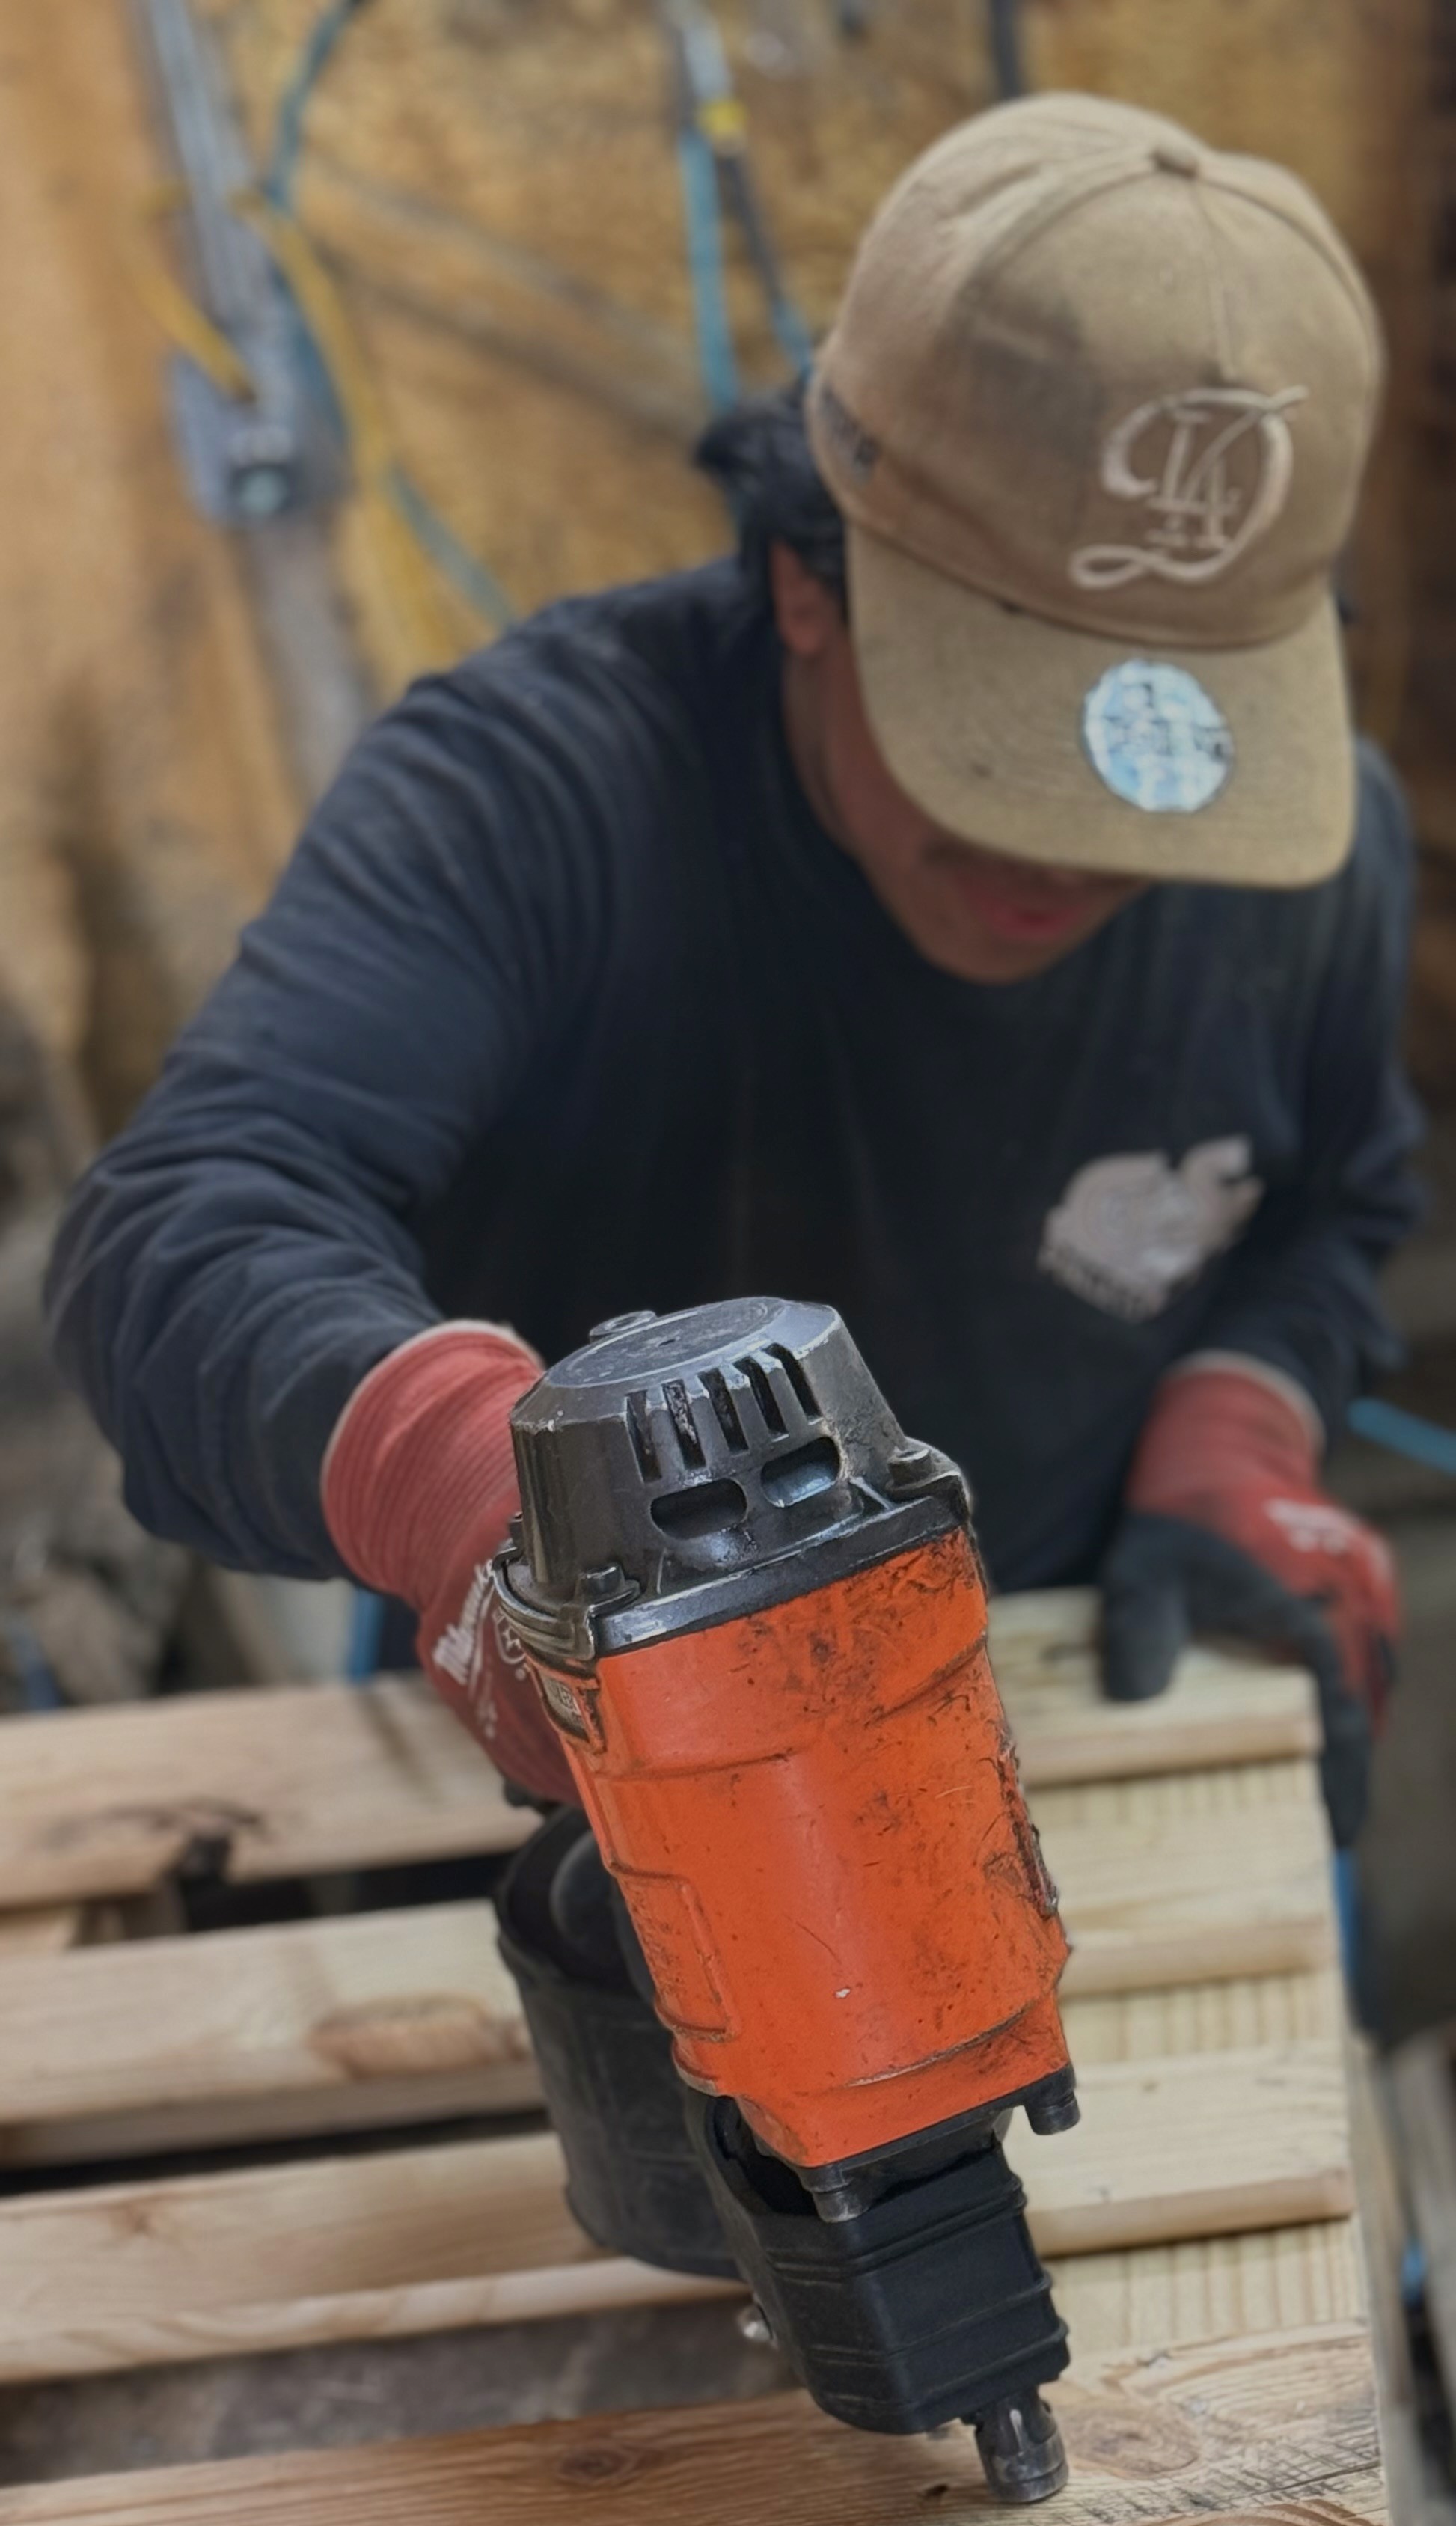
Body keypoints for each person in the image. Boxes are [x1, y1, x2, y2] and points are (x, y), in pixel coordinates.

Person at [48, 90, 1418, 1844]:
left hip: (1076, 1688)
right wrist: (484, 1508)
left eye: (1164, 764)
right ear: (804, 577)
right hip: (577, 1743)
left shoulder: (1313, 867)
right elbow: (186, 1226)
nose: (1079, 853)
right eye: (1001, 752)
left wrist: (1234, 1434)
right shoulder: (538, 798)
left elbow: (1333, 1211)